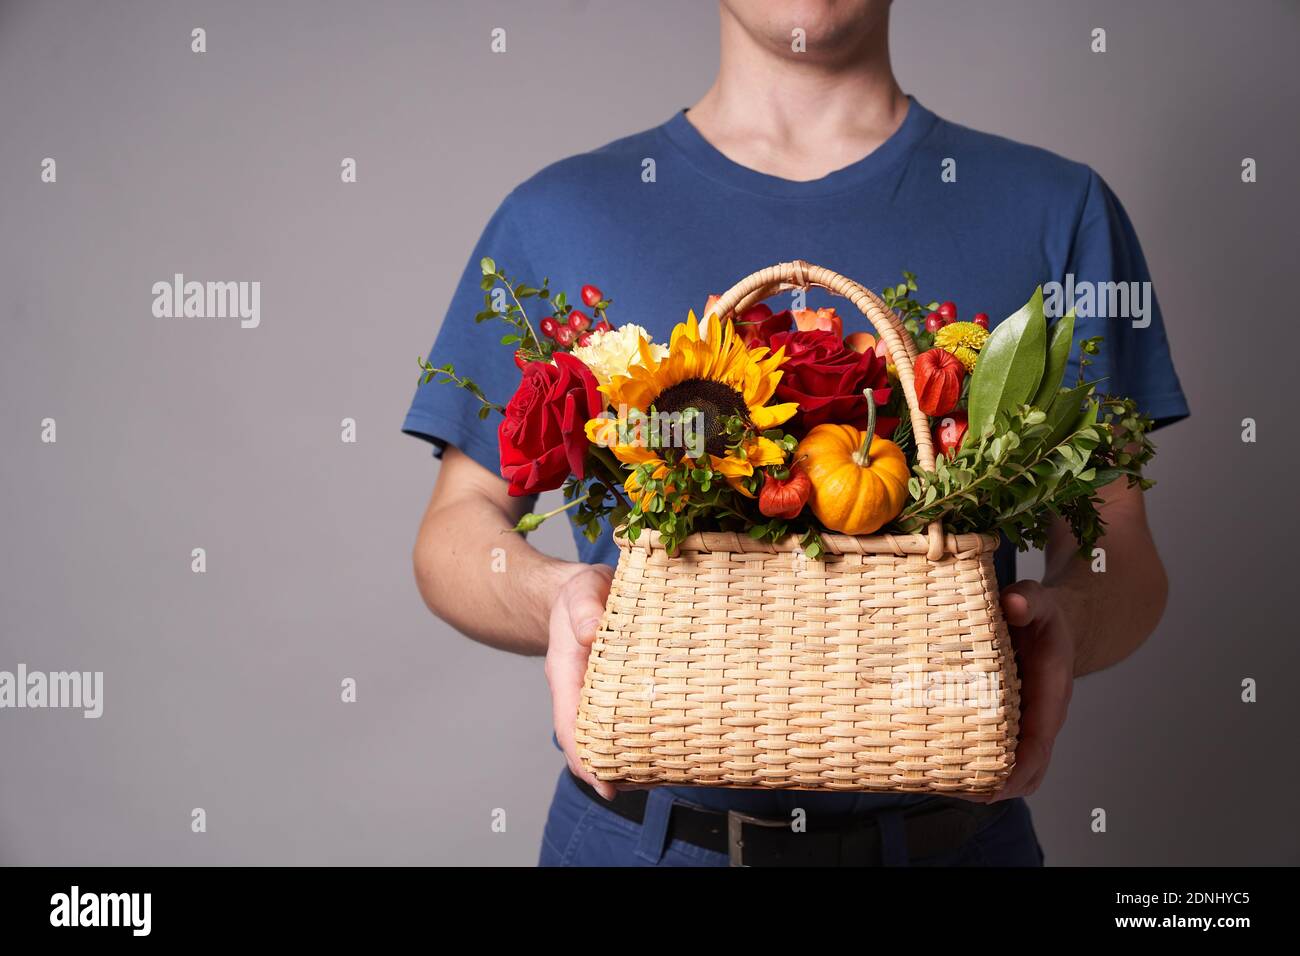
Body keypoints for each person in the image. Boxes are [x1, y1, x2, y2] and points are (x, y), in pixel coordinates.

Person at [402, 0, 1187, 866]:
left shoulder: (1056, 208)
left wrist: (1068, 618)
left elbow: (1118, 541)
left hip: (952, 844)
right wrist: (557, 595)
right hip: (642, 845)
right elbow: (458, 524)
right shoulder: (555, 214)